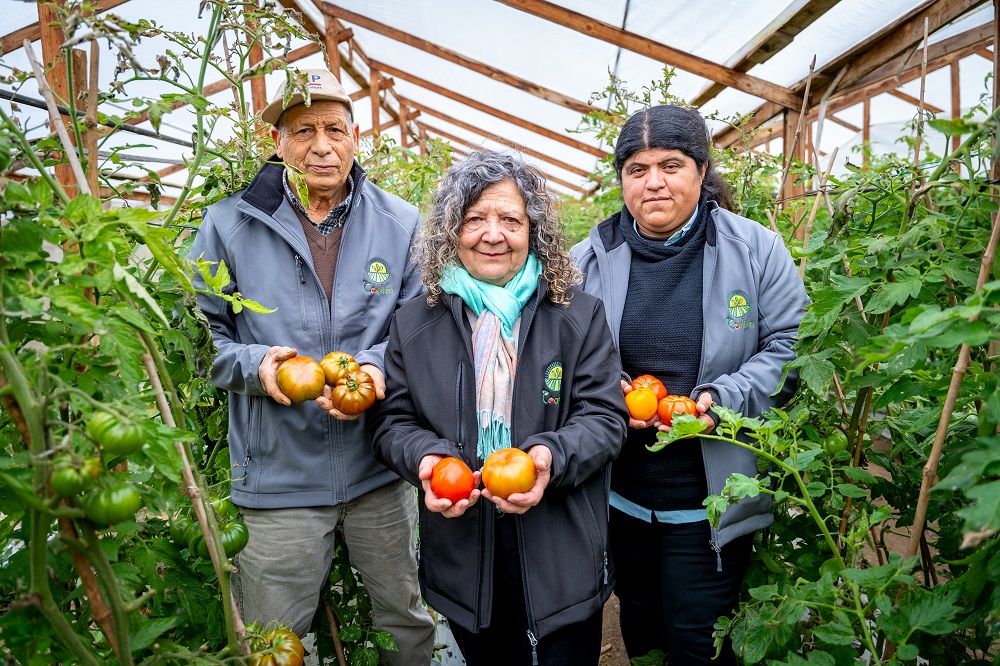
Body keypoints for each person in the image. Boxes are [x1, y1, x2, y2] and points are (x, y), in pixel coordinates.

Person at [190, 69, 434, 664]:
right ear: (278, 143)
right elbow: (202, 338)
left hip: (379, 469)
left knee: (404, 618)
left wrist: (376, 368)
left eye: (333, 128)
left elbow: (419, 327)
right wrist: (256, 364)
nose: (321, 145)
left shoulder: (400, 223)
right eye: (303, 131)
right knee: (276, 637)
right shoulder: (229, 225)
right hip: (277, 480)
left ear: (356, 136)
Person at [369, 150, 628, 666]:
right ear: (450, 230)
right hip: (464, 546)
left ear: (534, 230)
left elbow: (605, 416)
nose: (493, 235)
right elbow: (391, 422)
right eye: (474, 220)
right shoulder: (414, 322)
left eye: (510, 219)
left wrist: (550, 456)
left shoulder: (576, 314)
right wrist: (427, 458)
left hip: (561, 543)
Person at [571, 104, 809, 664]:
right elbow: (570, 354)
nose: (653, 182)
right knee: (644, 632)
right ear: (622, 180)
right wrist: (612, 388)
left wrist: (720, 400)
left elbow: (791, 346)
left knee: (698, 641)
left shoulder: (756, 250)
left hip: (709, 505)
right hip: (621, 498)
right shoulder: (589, 257)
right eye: (636, 168)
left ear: (701, 173)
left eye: (671, 165)